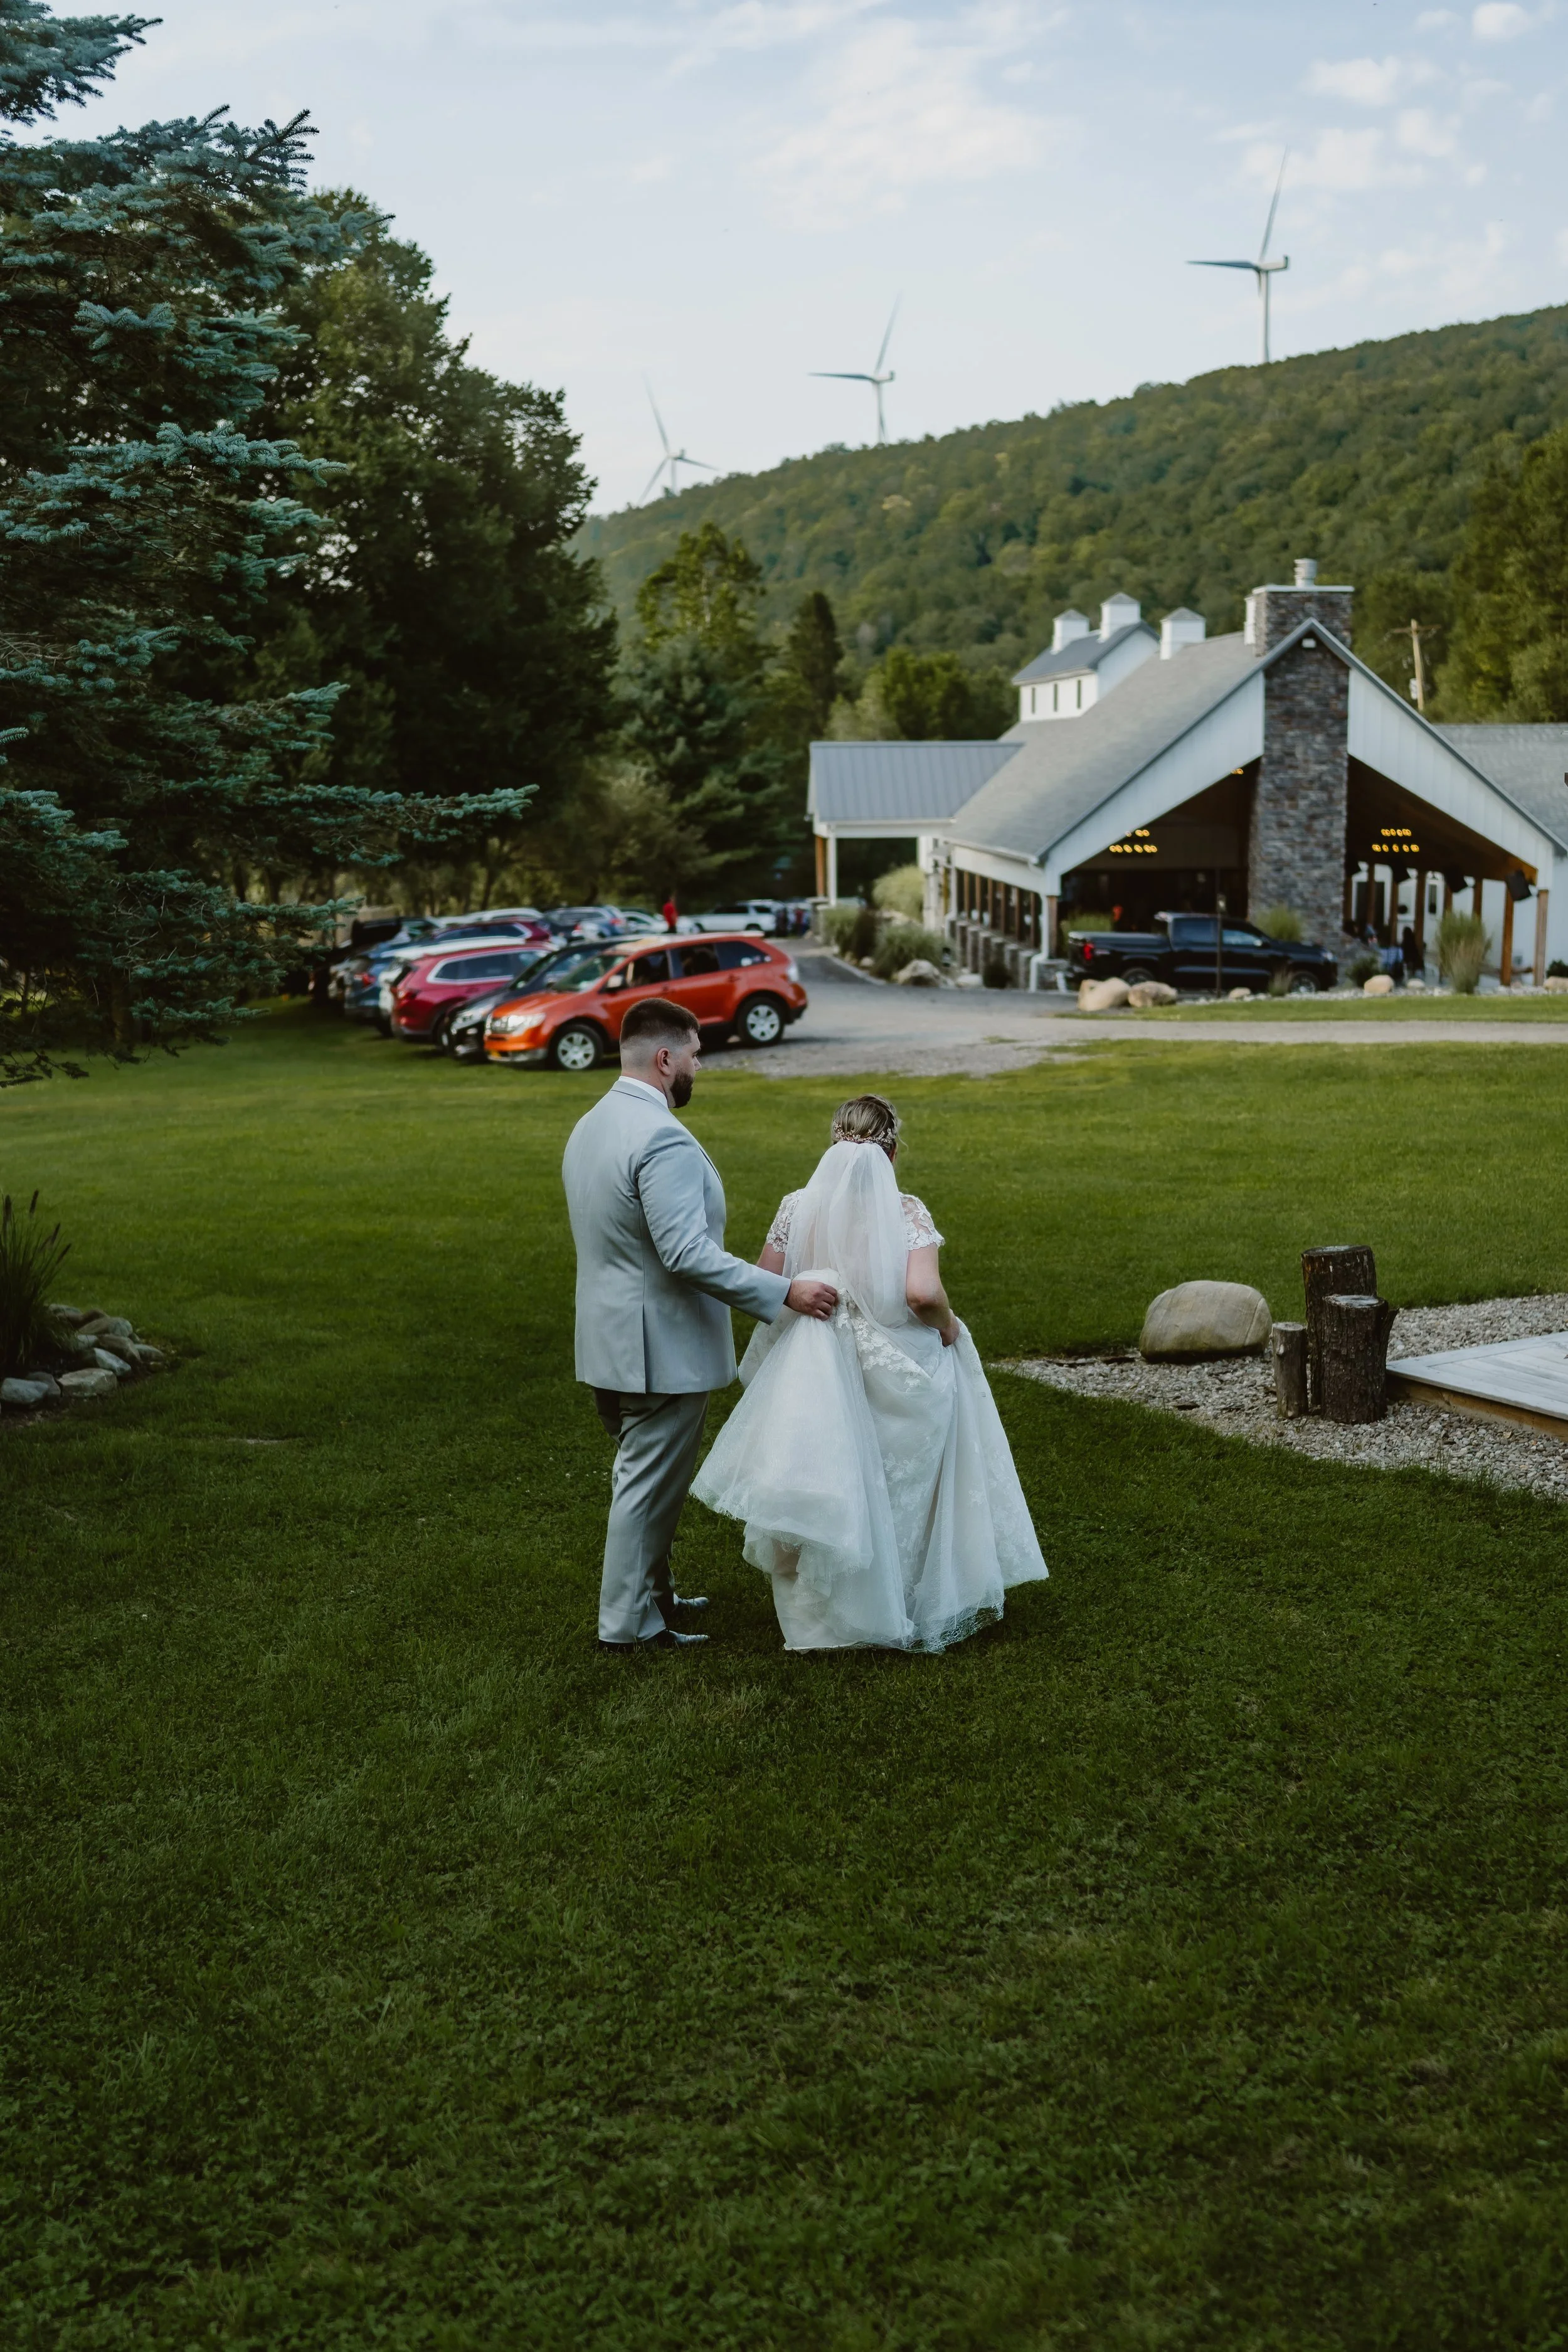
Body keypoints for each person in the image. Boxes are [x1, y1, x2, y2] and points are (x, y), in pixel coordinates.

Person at [692, 1094, 1047, 1653]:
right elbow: (923, 1294)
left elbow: (765, 1285)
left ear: (833, 1144)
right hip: (893, 1366)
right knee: (894, 1483)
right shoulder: (906, 1212)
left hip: (816, 1368)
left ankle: (815, 1622)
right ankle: (896, 1603)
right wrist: (950, 1327)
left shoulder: (796, 1206)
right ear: (893, 1151)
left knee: (827, 1479)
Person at [561, 996, 837, 1653]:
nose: (696, 1068)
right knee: (645, 1487)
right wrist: (784, 1291)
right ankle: (626, 1627)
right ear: (665, 1058)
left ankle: (652, 1598)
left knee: (646, 1483)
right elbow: (684, 1253)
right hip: (658, 1346)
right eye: (693, 1055)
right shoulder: (660, 1137)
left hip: (607, 1337)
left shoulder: (593, 1123)